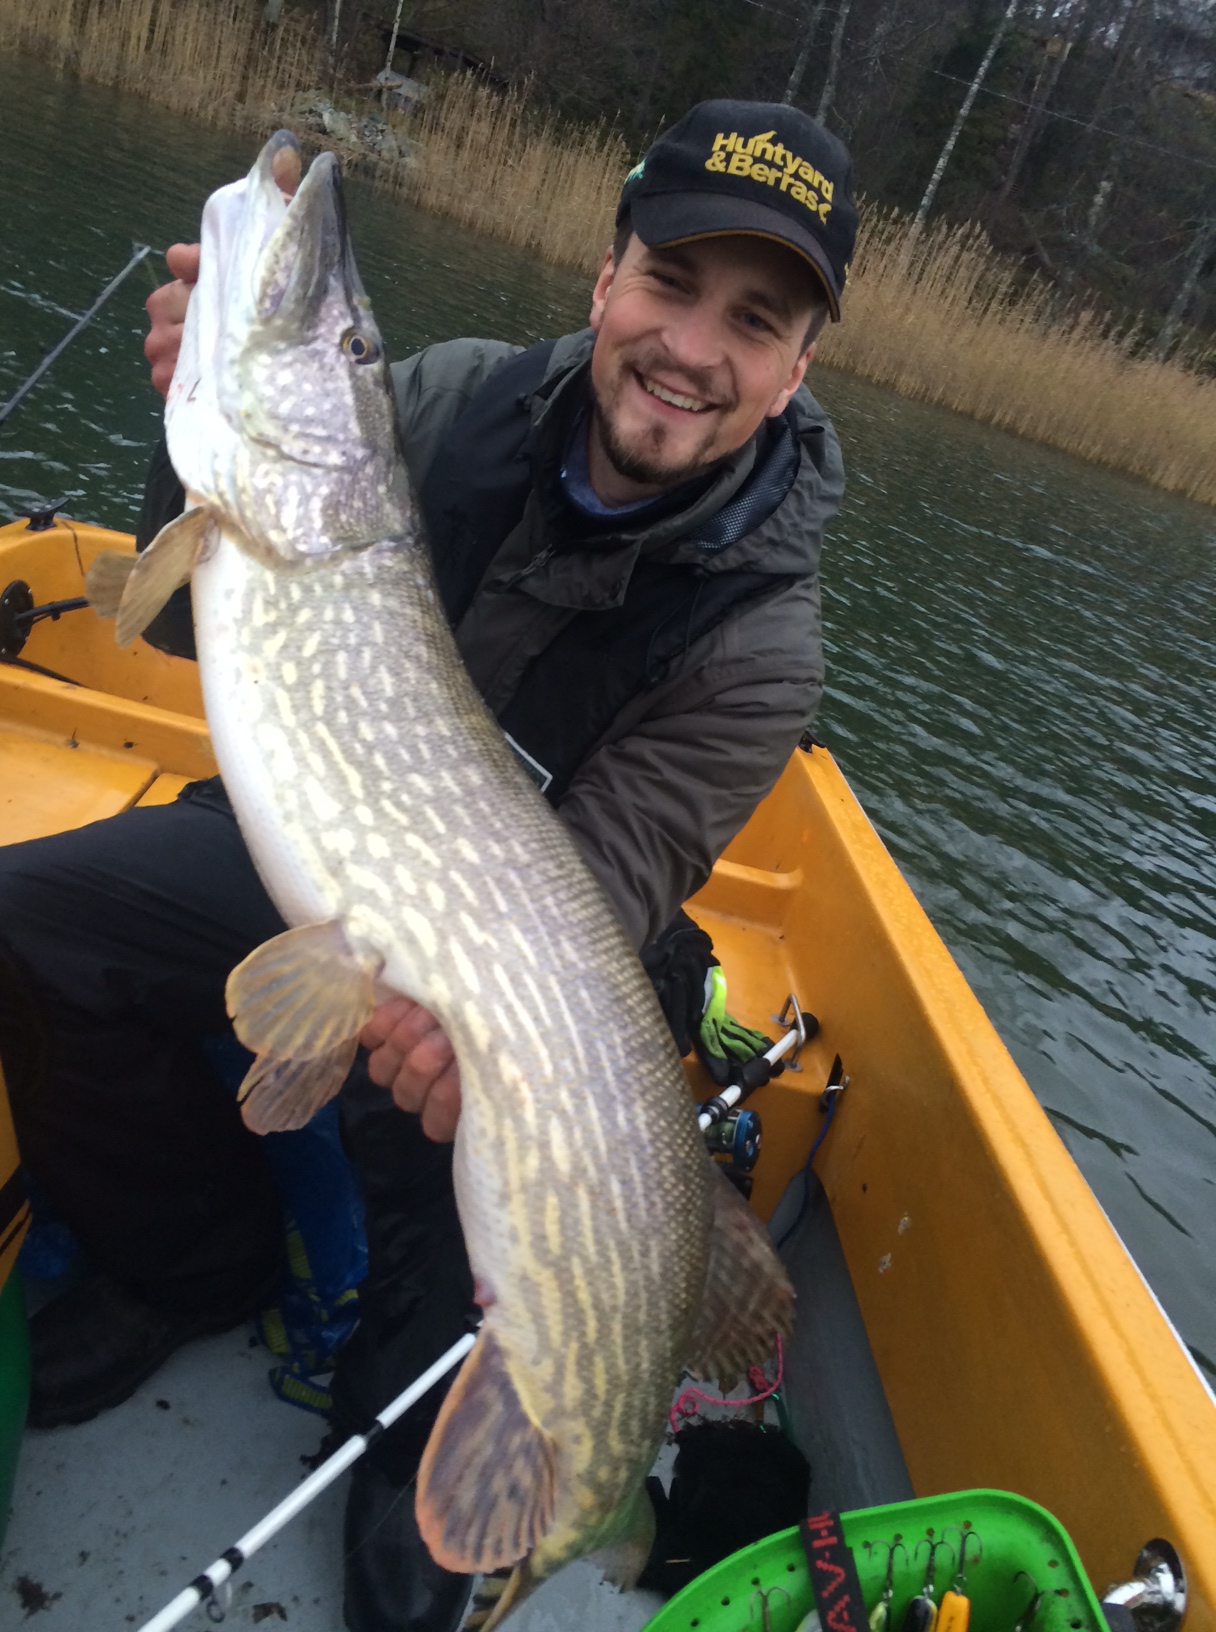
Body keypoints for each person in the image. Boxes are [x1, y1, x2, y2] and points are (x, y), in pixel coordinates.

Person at [0, 100, 857, 1632]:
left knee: (422, 1567)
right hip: (316, 842)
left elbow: (598, 882)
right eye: (670, 284)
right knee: (32, 923)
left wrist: (454, 1029)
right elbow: (194, 618)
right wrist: (188, 431)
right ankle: (189, 1262)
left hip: (547, 962)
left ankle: (514, 1421)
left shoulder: (763, 639)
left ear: (796, 369)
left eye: (756, 320)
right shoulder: (455, 398)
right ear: (606, 283)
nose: (692, 348)